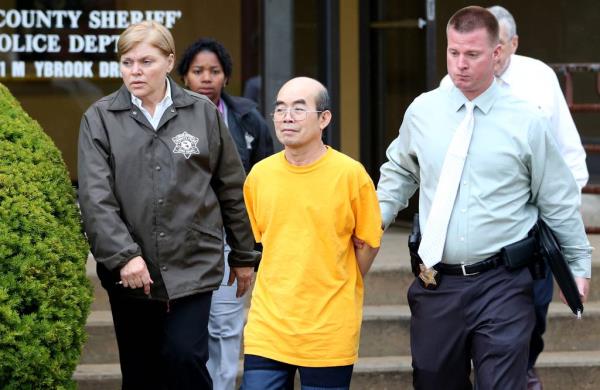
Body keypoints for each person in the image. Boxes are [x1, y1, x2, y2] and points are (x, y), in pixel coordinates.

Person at [377, 6, 591, 390]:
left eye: (472, 54)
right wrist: (376, 218)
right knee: (432, 380)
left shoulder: (527, 120)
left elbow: (556, 198)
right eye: (453, 52)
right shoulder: (423, 111)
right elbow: (400, 170)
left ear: (496, 54)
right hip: (436, 281)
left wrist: (577, 263)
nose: (460, 64)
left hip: (504, 282)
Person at [77, 21, 259, 389]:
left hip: (192, 261)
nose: (135, 71)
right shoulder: (99, 119)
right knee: (141, 371)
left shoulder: (201, 113)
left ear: (169, 60)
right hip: (130, 272)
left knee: (185, 357)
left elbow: (230, 187)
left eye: (146, 61)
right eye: (127, 62)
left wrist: (243, 255)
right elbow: (96, 198)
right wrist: (124, 256)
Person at [440, 6, 589, 389]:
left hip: (534, 232)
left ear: (511, 44)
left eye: (499, 48)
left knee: (533, 312)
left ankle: (521, 367)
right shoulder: (451, 84)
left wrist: (561, 220)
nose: (491, 57)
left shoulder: (539, 78)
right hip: (481, 235)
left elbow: (570, 156)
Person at [240, 77, 383, 389]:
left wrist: (336, 278)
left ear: (324, 118)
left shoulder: (351, 175)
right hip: (269, 326)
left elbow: (369, 244)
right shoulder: (259, 176)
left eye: (299, 108)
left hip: (328, 328)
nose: (287, 116)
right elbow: (261, 240)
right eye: (280, 109)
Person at [177, 37, 274, 390]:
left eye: (214, 71)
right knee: (188, 333)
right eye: (198, 71)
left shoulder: (247, 119)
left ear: (227, 77)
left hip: (233, 240)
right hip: (184, 240)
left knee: (226, 327)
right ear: (184, 77)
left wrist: (252, 246)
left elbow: (264, 179)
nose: (206, 78)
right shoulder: (170, 118)